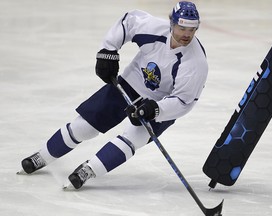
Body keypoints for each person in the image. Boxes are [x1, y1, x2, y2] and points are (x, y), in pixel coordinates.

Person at [19, 1, 208, 190]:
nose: (186, 34)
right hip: (129, 84)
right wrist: (108, 50)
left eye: (192, 29)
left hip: (159, 104)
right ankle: (42, 156)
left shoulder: (196, 63)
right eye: (182, 28)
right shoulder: (154, 29)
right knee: (84, 126)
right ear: (172, 23)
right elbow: (128, 22)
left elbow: (184, 102)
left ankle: (88, 170)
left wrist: (156, 110)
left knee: (133, 138)